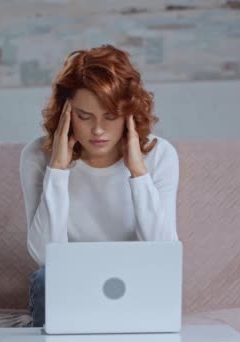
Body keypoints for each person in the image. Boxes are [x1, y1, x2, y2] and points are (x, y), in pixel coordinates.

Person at [19, 44, 180, 328]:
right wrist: (57, 171)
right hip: (67, 284)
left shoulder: (159, 155)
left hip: (136, 282)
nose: (98, 131)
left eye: (110, 116)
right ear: (66, 115)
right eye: (84, 116)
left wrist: (138, 173)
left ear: (129, 114)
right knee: (46, 279)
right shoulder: (37, 156)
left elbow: (163, 252)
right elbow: (44, 256)